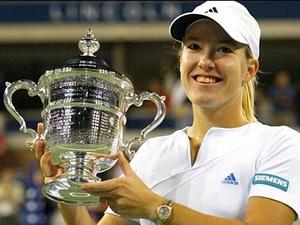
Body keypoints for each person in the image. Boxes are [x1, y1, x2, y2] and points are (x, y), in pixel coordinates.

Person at [35, 1, 300, 225]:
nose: (205, 62)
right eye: (194, 47)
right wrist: (67, 191)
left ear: (250, 69)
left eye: (224, 49)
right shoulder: (153, 152)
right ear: (181, 59)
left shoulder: (280, 144)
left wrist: (157, 208)